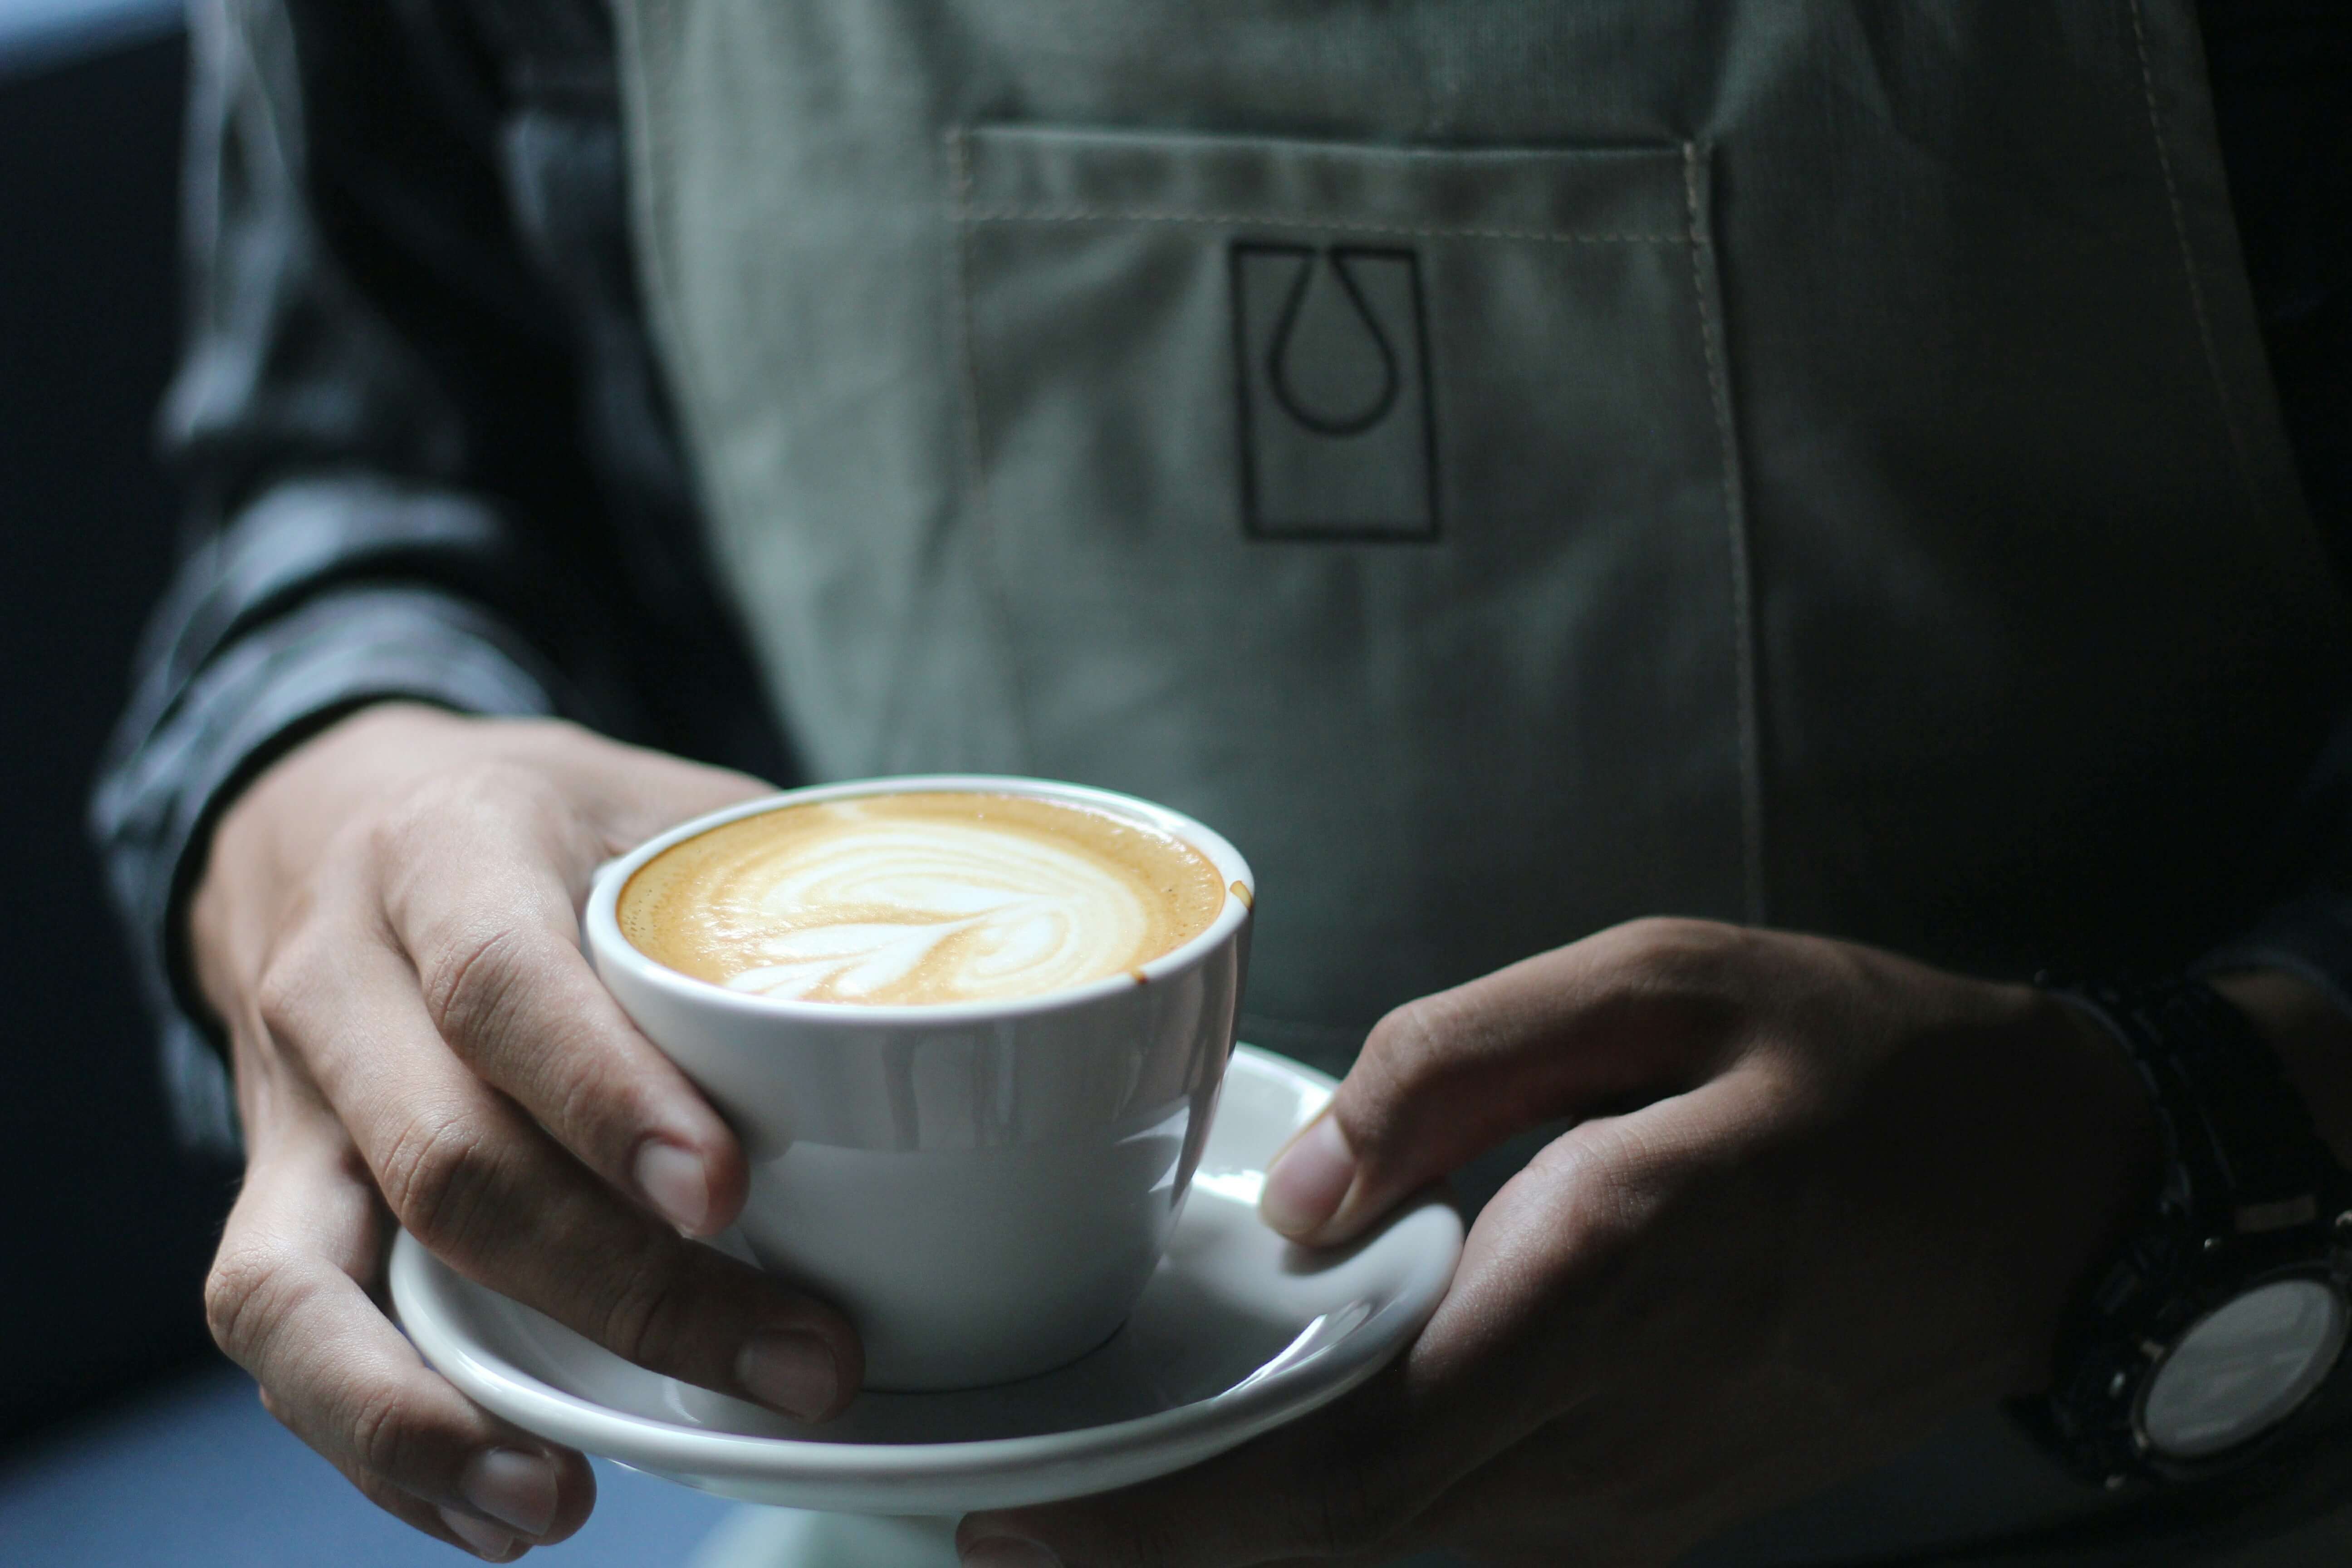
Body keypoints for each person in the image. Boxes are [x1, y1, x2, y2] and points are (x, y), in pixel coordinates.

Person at [94, 0, 2352, 1563]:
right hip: (933, 1523)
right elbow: (351, 480)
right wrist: (331, 814)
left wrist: (2176, 1140)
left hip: (2182, 1463)